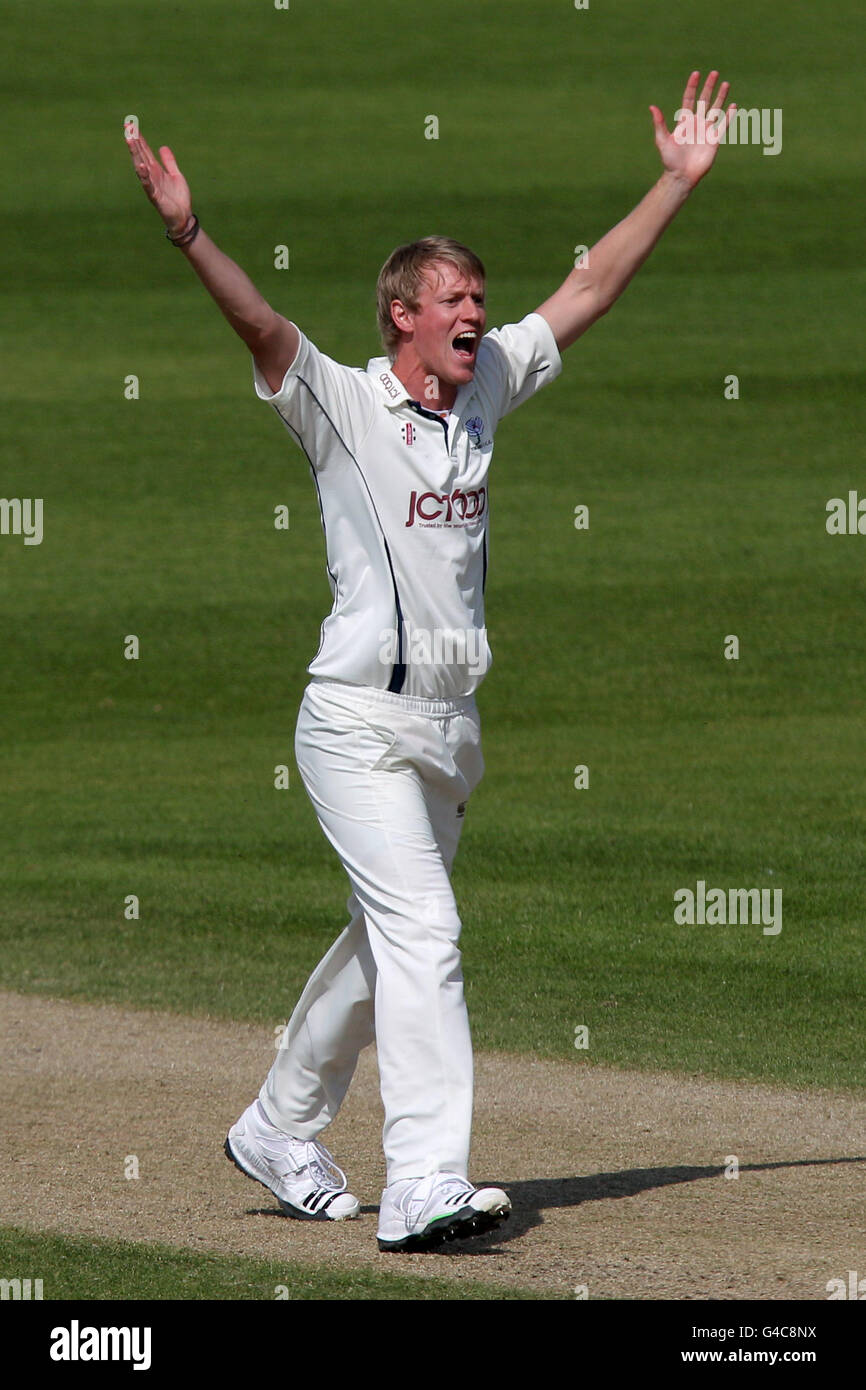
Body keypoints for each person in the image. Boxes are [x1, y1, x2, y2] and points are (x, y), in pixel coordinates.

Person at [125, 71, 734, 1252]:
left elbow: (590, 284)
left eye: (479, 298)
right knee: (425, 936)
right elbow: (259, 323)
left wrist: (671, 183)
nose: (475, 312)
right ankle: (421, 1184)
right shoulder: (339, 406)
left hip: (448, 730)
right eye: (454, 298)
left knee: (379, 947)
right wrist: (189, 232)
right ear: (398, 314)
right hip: (352, 719)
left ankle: (276, 1123)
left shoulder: (486, 389)